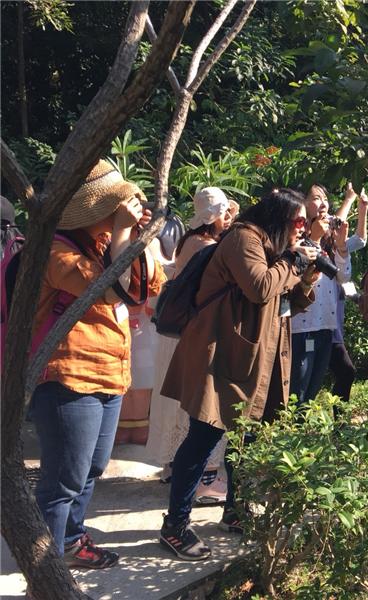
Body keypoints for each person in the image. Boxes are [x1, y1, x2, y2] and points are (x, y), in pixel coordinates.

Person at [158, 188, 320, 561]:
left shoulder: (274, 248)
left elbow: (287, 300)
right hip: (220, 354)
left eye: (304, 223)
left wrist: (305, 276)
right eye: (298, 221)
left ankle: (234, 509)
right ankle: (175, 526)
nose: (301, 229)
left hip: (255, 357)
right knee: (203, 438)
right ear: (278, 218)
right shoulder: (244, 238)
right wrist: (293, 262)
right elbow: (260, 287)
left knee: (246, 439)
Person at [29, 159, 165, 568]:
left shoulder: (106, 245)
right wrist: (123, 232)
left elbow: (151, 284)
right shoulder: (54, 251)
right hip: (68, 378)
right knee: (62, 480)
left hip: (109, 374)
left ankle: (70, 541)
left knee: (91, 469)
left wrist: (140, 238)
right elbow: (106, 293)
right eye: (114, 208)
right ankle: (46, 571)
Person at [146, 188, 234, 503]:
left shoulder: (189, 240)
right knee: (197, 410)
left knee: (176, 405)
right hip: (195, 335)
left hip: (177, 335)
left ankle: (173, 467)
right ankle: (204, 479)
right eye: (226, 212)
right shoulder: (208, 247)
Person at [290, 184, 352, 406]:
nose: (324, 203)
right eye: (316, 198)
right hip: (302, 327)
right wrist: (314, 239)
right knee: (297, 394)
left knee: (312, 393)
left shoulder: (328, 241)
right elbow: (293, 275)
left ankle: (301, 437)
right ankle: (289, 437)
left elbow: (343, 277)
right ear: (302, 204)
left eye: (325, 198)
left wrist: (342, 245)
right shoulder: (294, 240)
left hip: (326, 325)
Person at [328, 184, 368, 404]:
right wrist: (349, 200)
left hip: (335, 315)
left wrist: (363, 209)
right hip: (316, 320)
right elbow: (333, 225)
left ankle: (338, 424)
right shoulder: (316, 244)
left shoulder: (339, 246)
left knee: (343, 372)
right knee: (345, 371)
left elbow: (360, 240)